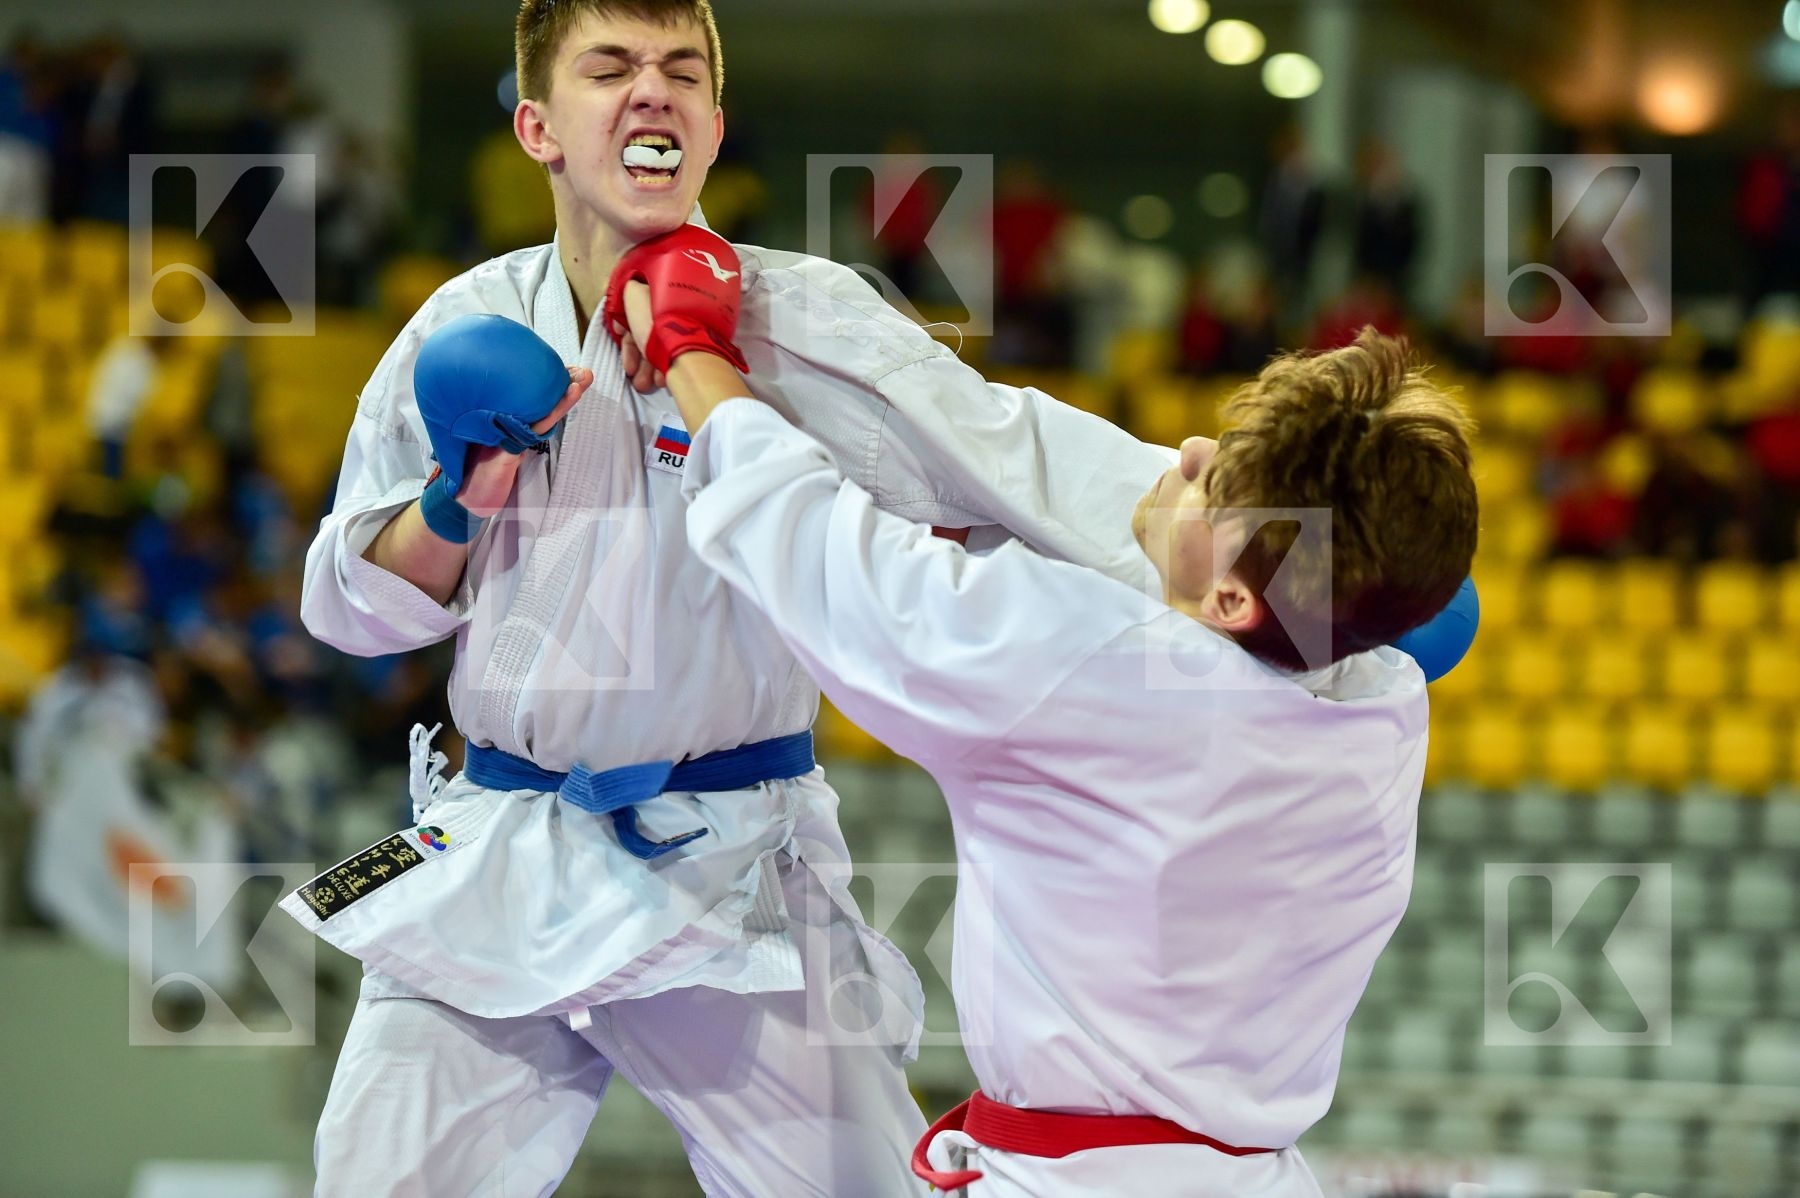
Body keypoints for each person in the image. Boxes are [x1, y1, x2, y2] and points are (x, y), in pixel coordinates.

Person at [614, 255, 1476, 1195]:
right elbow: (1184, 556)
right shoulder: (1384, 696)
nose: (1183, 453)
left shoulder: (1082, 671)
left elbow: (818, 549)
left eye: (1212, 481)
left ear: (1230, 596)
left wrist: (692, 350)